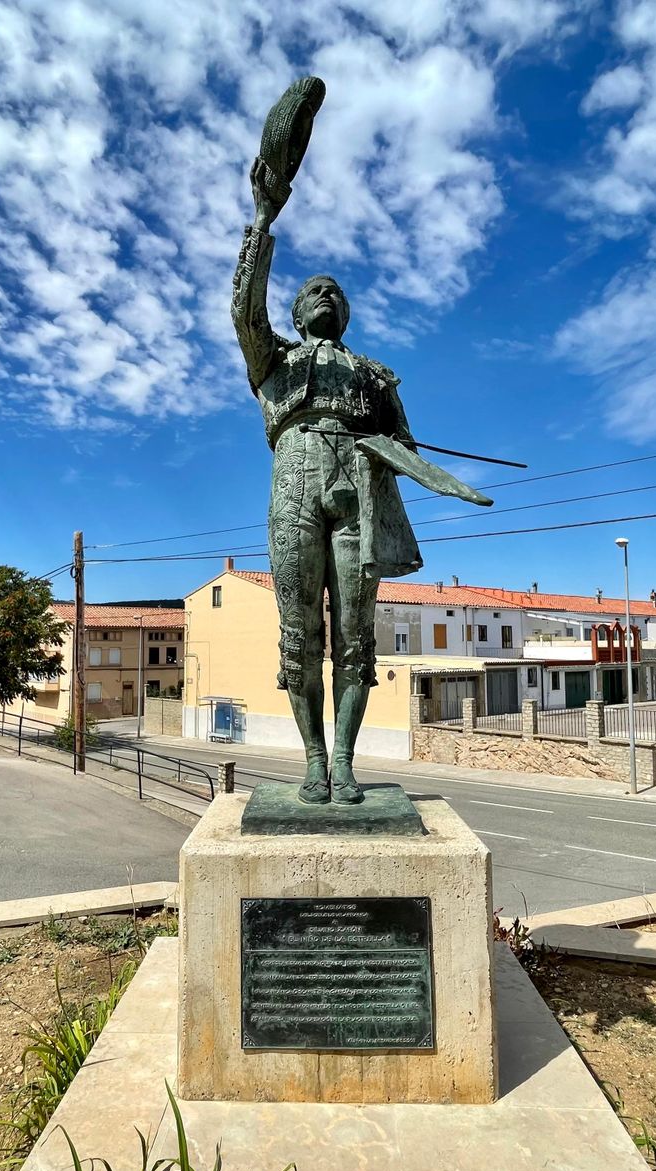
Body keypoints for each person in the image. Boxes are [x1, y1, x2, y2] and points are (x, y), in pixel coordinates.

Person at [230, 156, 427, 805]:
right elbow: (243, 312)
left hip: (355, 497)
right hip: (292, 492)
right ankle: (312, 759)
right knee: (298, 635)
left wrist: (402, 453)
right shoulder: (274, 361)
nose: (327, 296)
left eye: (337, 292)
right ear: (295, 312)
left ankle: (343, 760)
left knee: (353, 637)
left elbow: (404, 446)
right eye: (315, 290)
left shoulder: (374, 377)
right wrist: (263, 217)